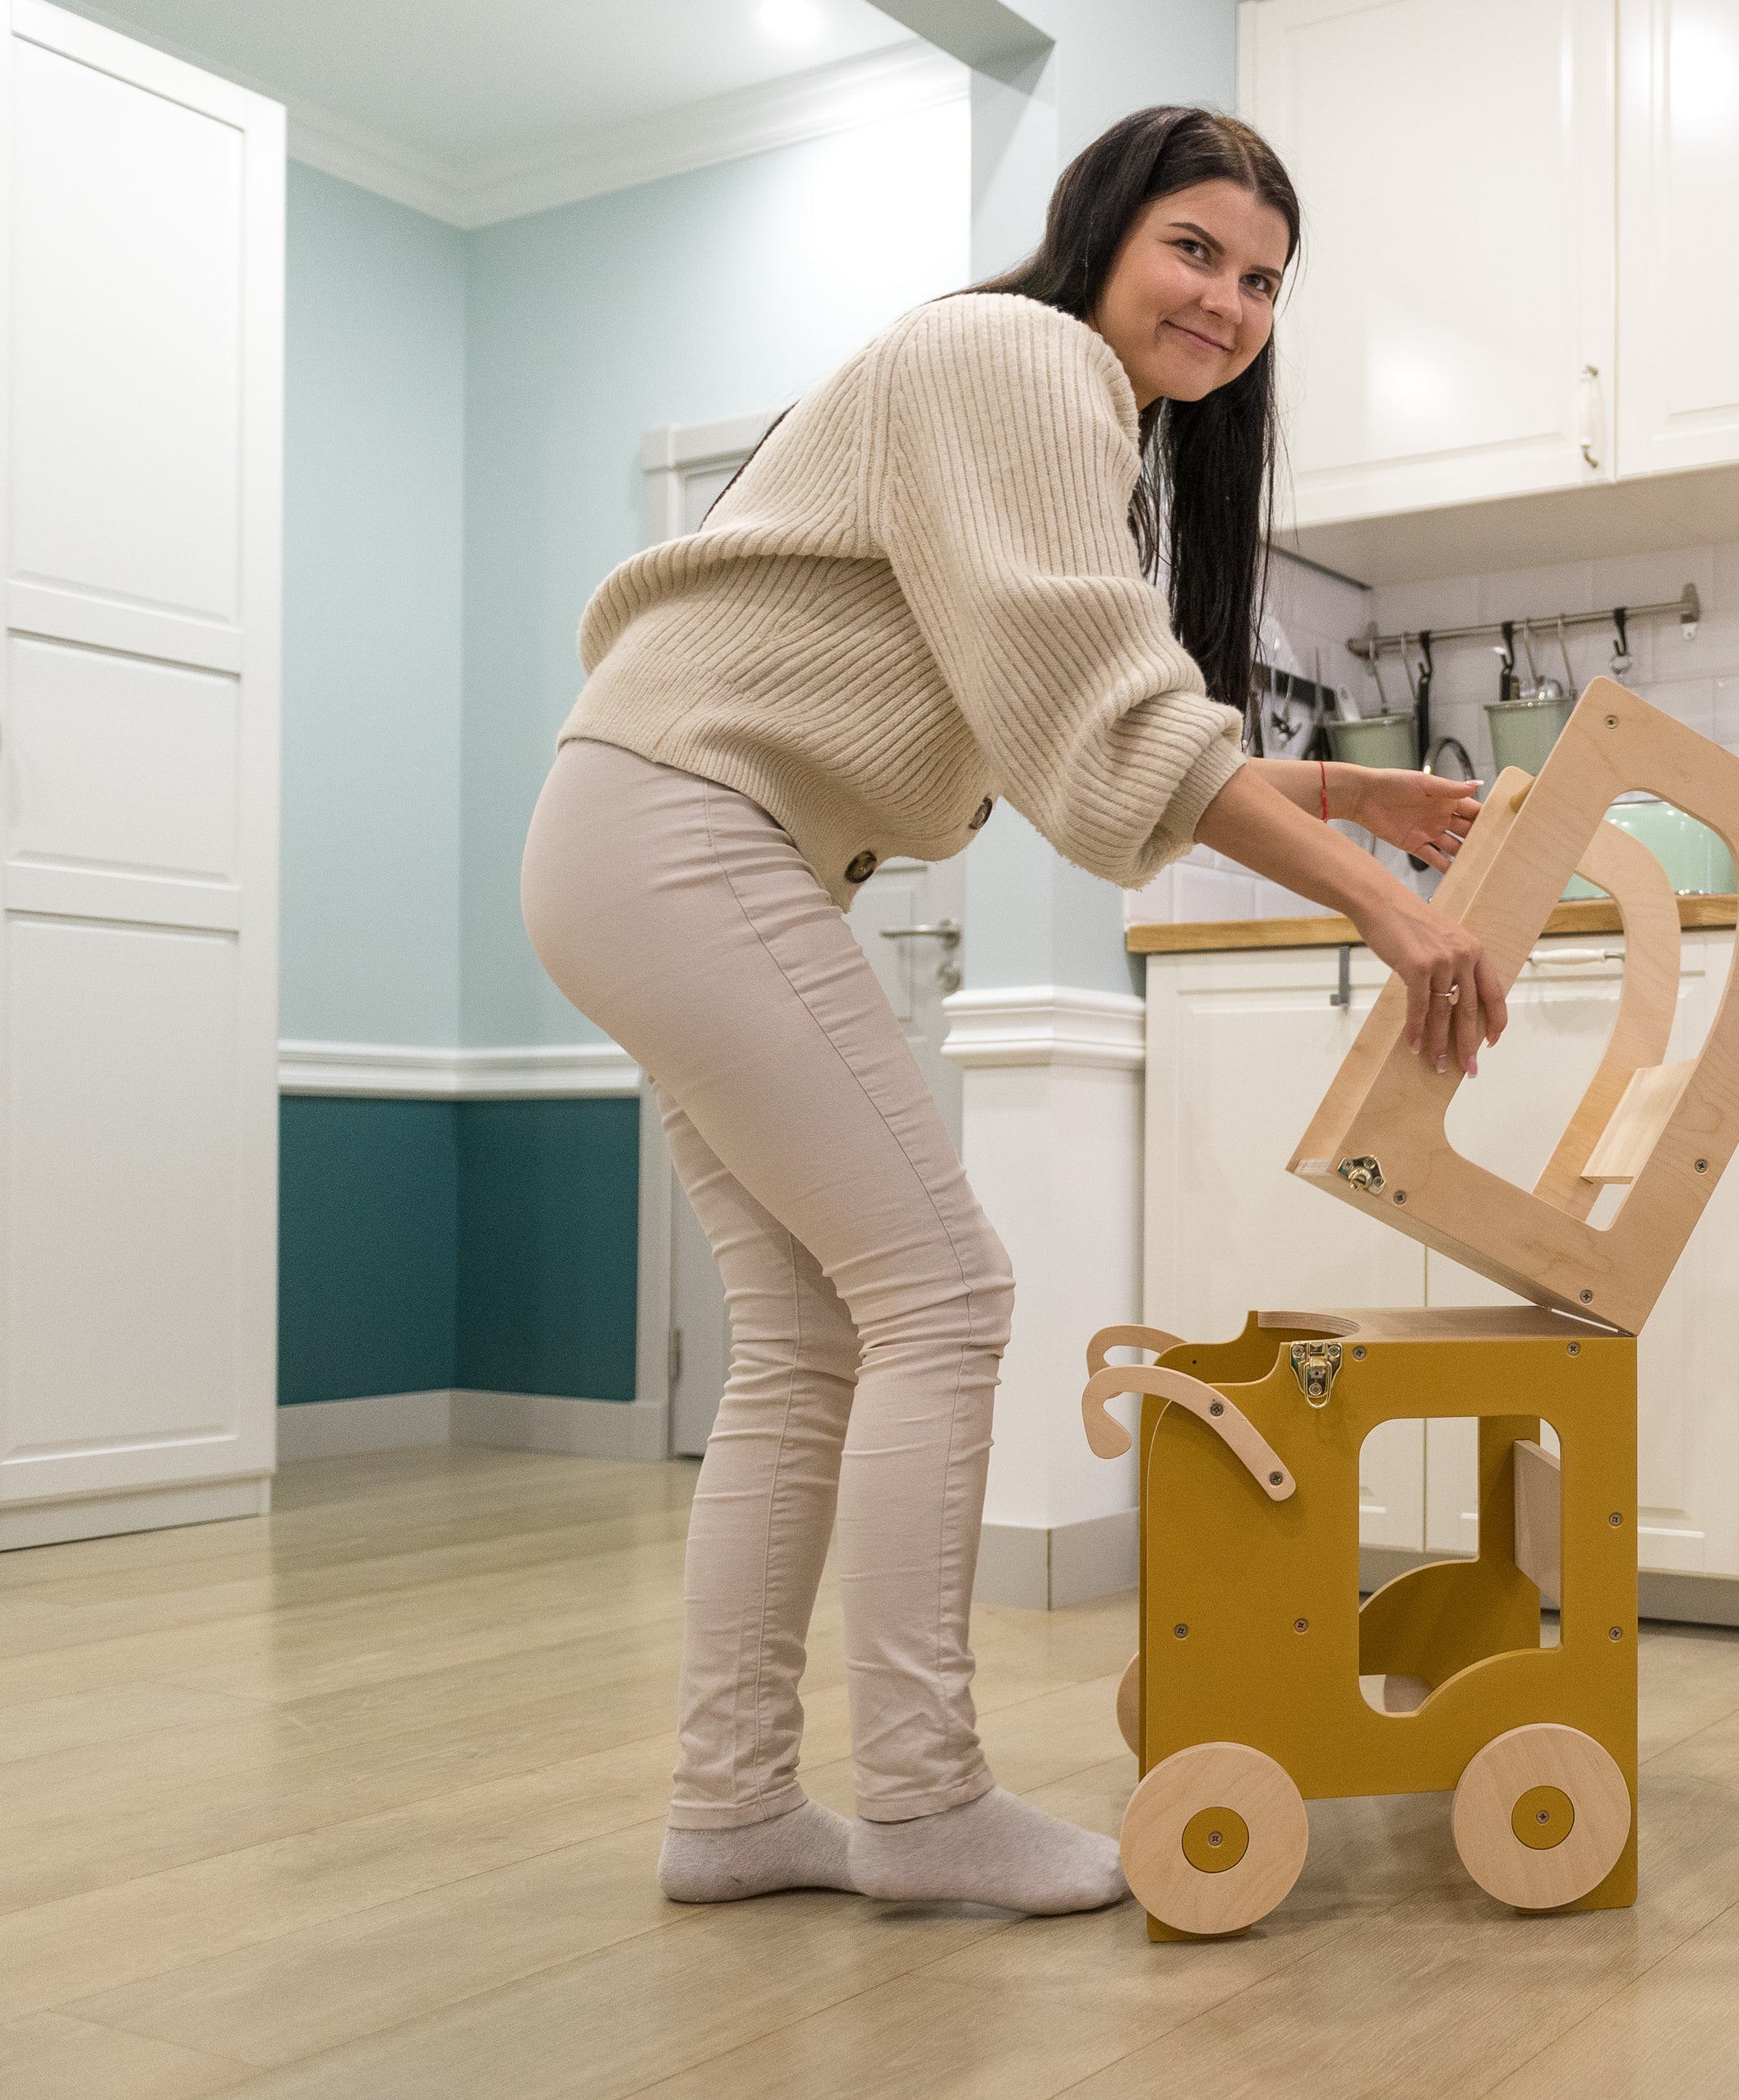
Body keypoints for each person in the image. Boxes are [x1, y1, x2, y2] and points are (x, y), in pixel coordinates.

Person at [519, 105, 1506, 1913]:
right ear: (1103, 234)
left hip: (645, 832)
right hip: (691, 832)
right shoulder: (1018, 355)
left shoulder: (1051, 407)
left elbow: (1057, 696)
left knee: (815, 1340)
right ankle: (919, 1800)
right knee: (947, 1293)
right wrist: (1387, 906)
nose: (1229, 301)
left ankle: (735, 1811)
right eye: (1195, 248)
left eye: (1266, 279)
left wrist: (1345, 803)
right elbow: (1103, 717)